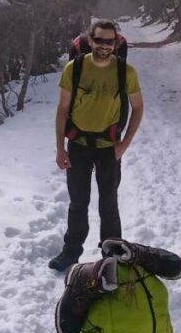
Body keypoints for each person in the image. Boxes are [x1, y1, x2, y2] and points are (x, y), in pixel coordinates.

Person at [49, 20, 144, 272]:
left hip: (108, 147)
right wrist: (60, 148)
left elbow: (138, 108)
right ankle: (71, 252)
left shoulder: (126, 72)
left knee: (109, 203)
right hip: (78, 145)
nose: (104, 46)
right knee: (78, 202)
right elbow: (62, 109)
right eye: (99, 40)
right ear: (90, 41)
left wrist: (124, 145)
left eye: (109, 41)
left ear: (116, 44)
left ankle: (112, 255)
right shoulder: (75, 68)